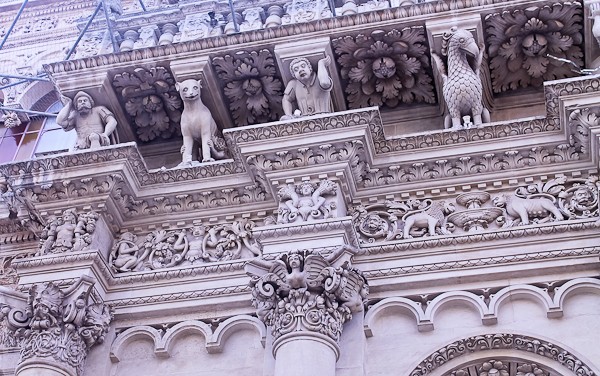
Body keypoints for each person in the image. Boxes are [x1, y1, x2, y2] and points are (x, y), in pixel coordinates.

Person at [281, 56, 333, 120]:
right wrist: (288, 115)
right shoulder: (293, 84)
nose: (300, 70)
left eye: (303, 66)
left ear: (310, 68)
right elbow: (286, 99)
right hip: (304, 120)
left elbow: (325, 83)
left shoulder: (319, 78)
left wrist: (321, 64)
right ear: (294, 75)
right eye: (296, 69)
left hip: (324, 118)